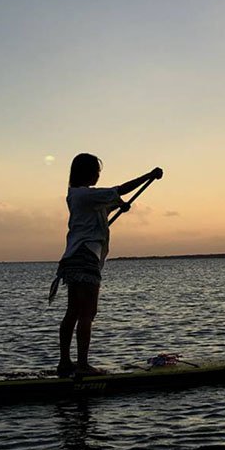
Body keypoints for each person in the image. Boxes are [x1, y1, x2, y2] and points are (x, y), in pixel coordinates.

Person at [51, 153, 163, 377]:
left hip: (72, 258)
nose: (98, 175)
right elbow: (119, 190)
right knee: (87, 313)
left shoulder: (76, 196)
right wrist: (148, 176)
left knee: (73, 311)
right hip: (85, 257)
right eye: (96, 171)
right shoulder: (84, 195)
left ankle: (65, 362)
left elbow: (108, 203)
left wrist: (118, 206)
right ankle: (82, 365)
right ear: (87, 173)